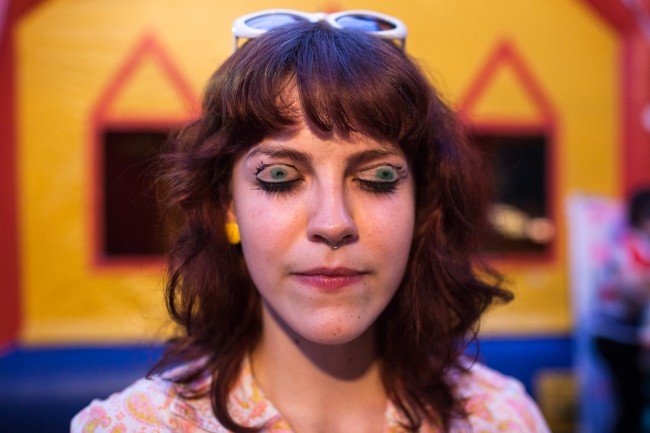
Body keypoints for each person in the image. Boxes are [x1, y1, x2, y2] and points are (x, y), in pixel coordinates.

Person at [71, 10, 551, 433]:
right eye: (281, 177)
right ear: (226, 205)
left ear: (421, 203)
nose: (333, 222)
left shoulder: (498, 418)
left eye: (379, 177)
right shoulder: (133, 427)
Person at [593, 188, 650, 433]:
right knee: (631, 406)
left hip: (628, 336)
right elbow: (630, 290)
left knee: (633, 405)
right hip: (618, 337)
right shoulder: (628, 247)